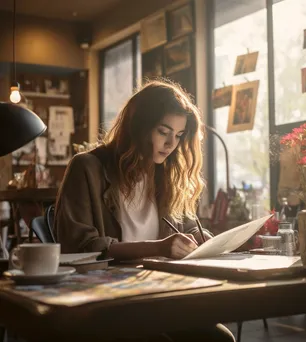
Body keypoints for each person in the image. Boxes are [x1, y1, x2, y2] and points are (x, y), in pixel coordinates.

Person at [54, 80, 235, 342]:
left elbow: (184, 228)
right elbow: (80, 247)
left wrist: (202, 237)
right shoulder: (87, 168)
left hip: (158, 293)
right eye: (164, 131)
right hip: (106, 300)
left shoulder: (166, 174)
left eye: (179, 135)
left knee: (219, 339)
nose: (171, 143)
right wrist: (159, 248)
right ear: (138, 125)